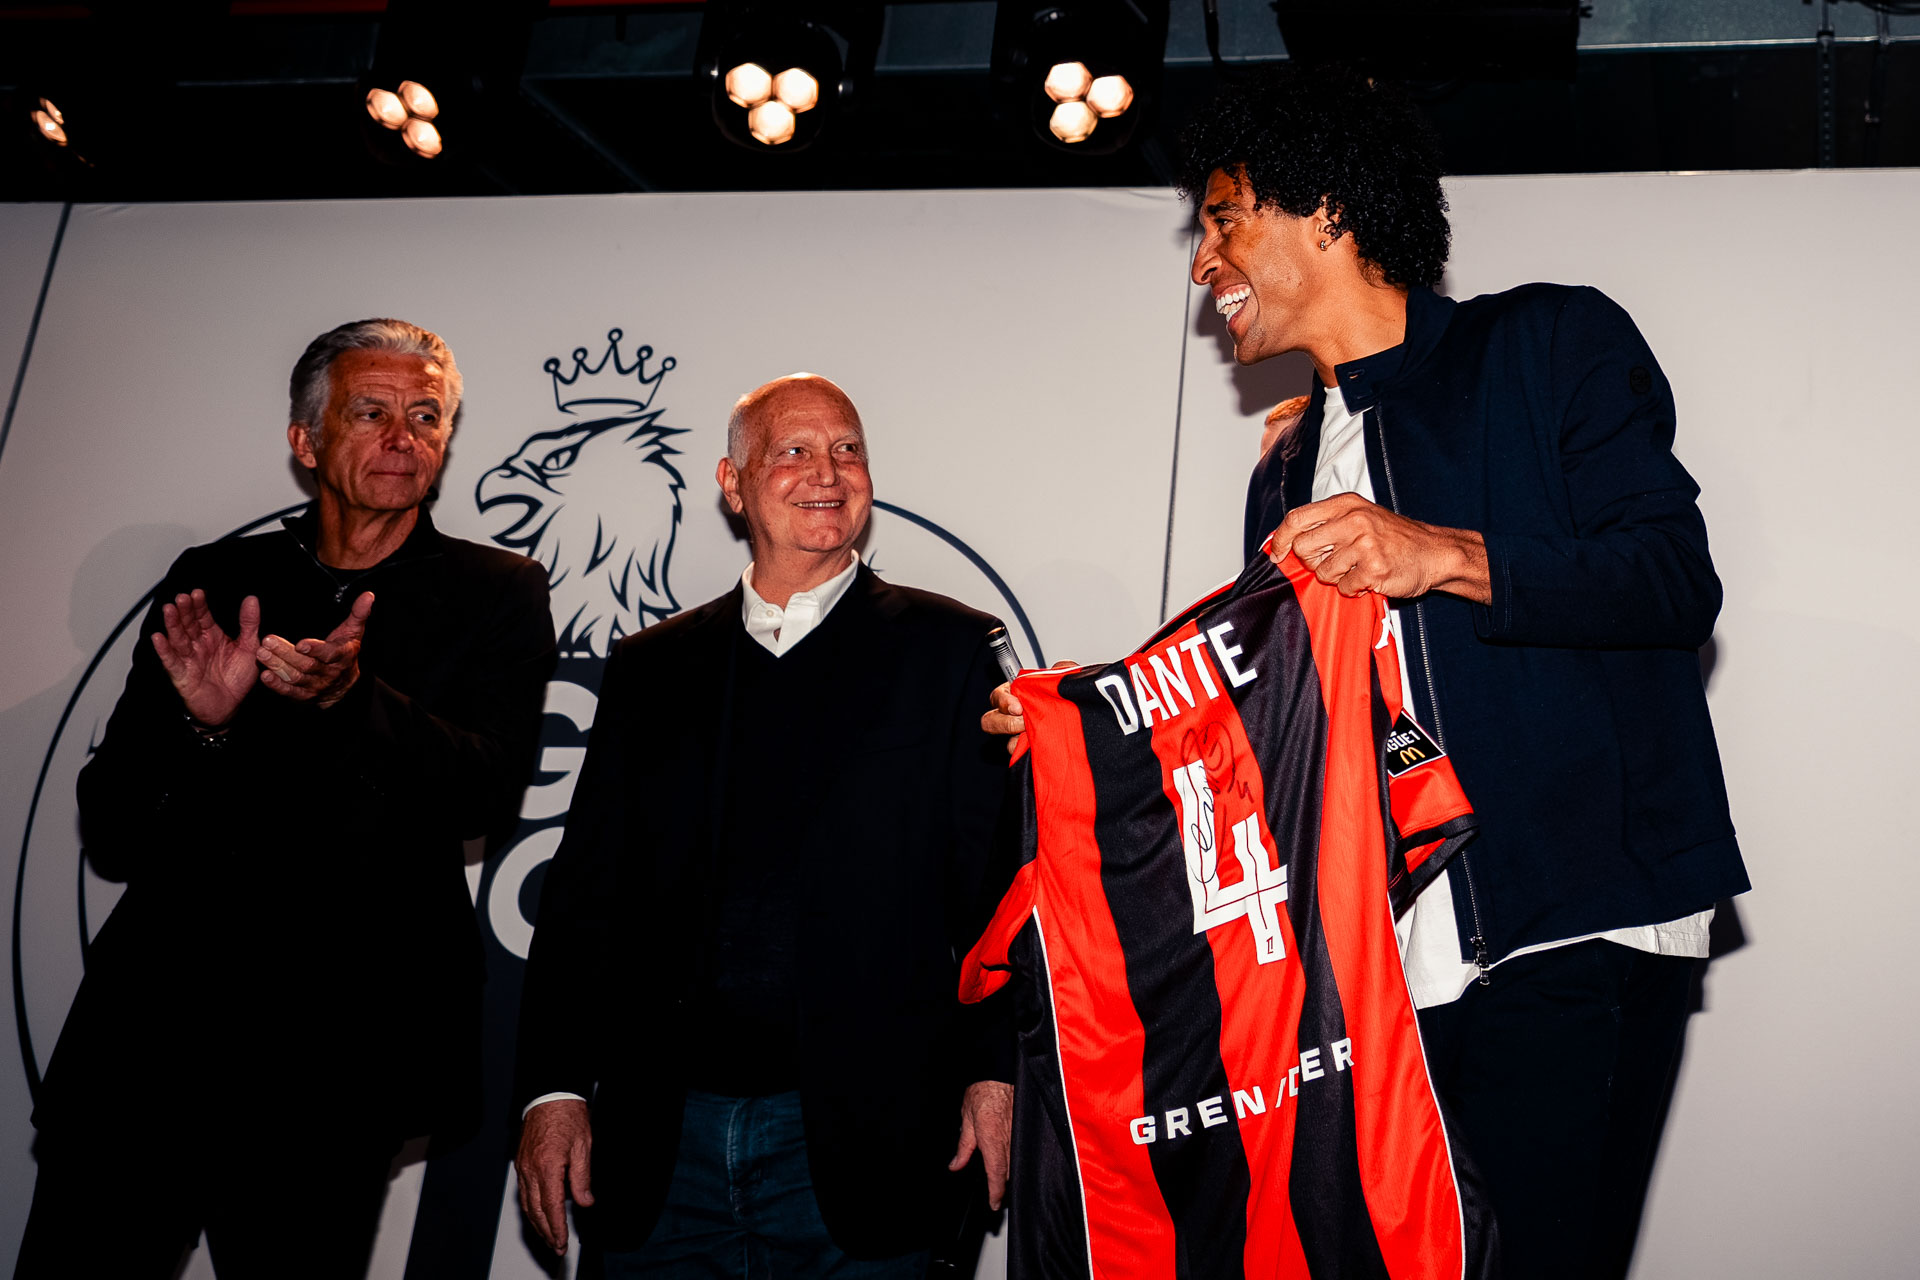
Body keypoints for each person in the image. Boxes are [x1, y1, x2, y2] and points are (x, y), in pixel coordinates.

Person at [987, 65, 1749, 1279]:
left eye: (1223, 218)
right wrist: (1093, 731)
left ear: (1327, 210)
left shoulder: (1547, 339)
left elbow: (1670, 579)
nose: (1204, 262)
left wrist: (1439, 552)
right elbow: (1271, 714)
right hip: (1383, 974)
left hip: (1572, 922)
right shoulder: (1285, 470)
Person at [14, 319, 557, 1280]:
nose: (403, 436)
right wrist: (204, 726)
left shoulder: (496, 591)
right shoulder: (217, 583)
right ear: (307, 441)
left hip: (339, 1067)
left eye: (427, 416)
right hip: (149, 1048)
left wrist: (357, 701)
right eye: (371, 413)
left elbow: (486, 788)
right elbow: (114, 825)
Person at [512, 373, 1015, 1278]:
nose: (828, 471)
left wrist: (995, 1071)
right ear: (732, 483)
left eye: (848, 450)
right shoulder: (653, 668)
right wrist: (552, 1090)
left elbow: (999, 891)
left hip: (872, 1145)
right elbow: (587, 897)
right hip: (661, 1144)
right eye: (794, 451)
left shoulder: (950, 652)